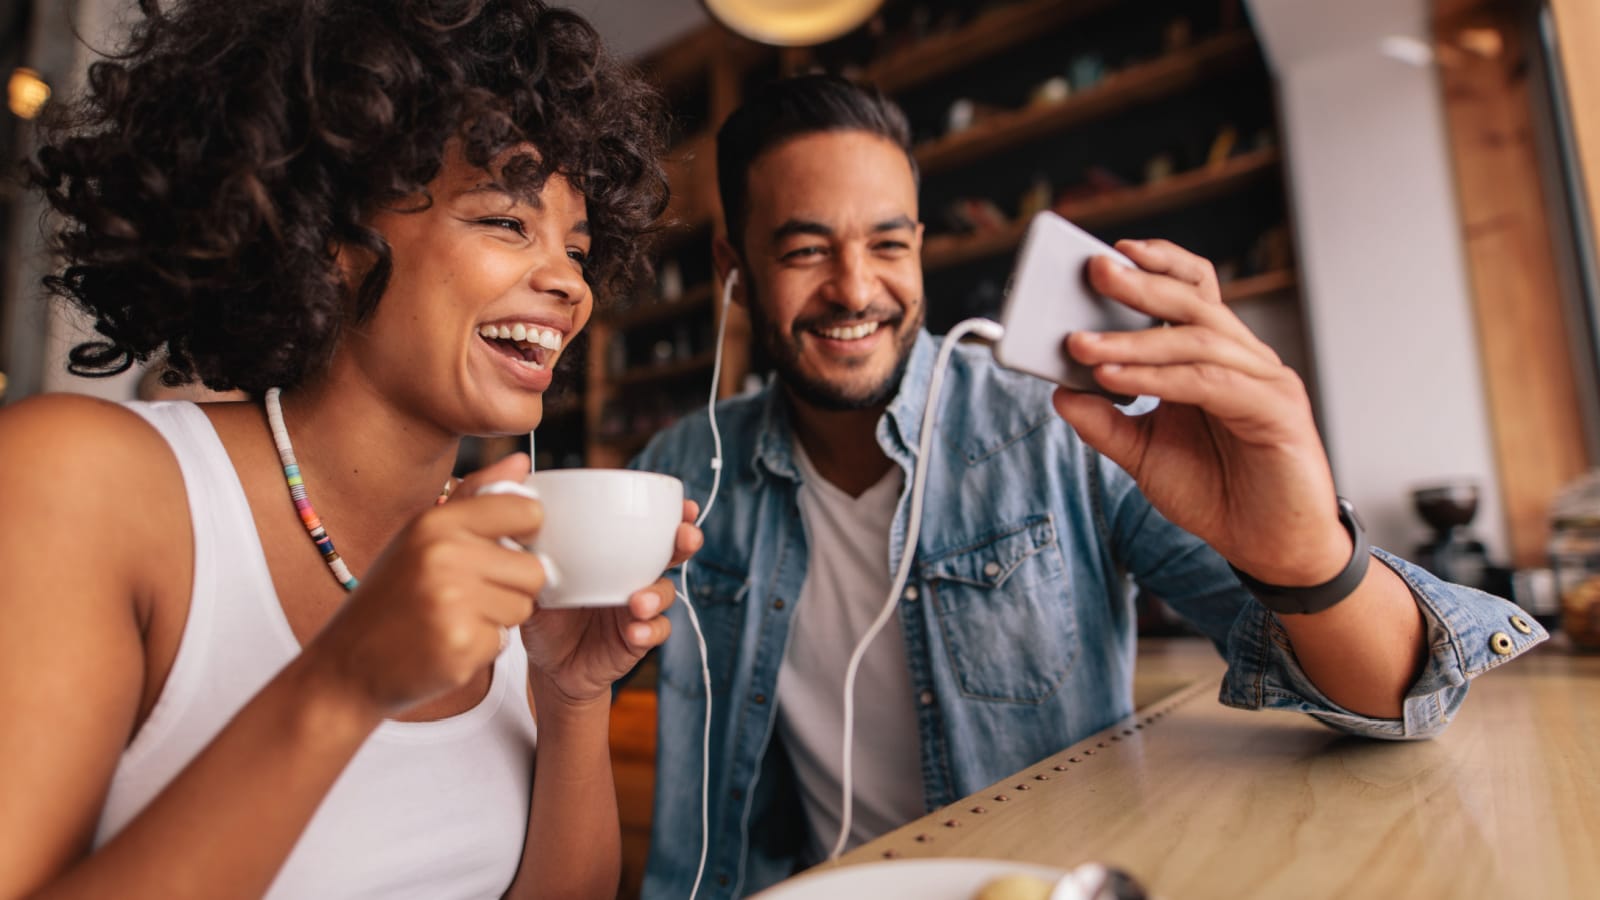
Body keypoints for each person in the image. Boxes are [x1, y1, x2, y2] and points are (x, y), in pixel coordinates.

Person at [629, 74, 1545, 898]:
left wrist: (1305, 551)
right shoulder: (681, 471)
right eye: (804, 251)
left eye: (889, 243)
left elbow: (1403, 707)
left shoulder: (1060, 425)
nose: (857, 288)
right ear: (733, 273)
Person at [0, 2, 700, 897]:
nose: (569, 283)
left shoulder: (501, 555)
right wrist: (343, 683)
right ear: (333, 237)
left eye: (579, 246)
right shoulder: (88, 482)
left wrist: (570, 697)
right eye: (505, 223)